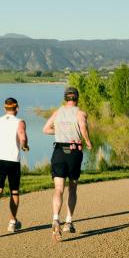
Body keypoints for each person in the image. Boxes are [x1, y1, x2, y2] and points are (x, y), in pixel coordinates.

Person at [43, 87, 92, 242]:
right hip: (74, 150)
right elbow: (83, 128)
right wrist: (88, 142)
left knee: (58, 188)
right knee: (72, 187)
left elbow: (46, 129)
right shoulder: (80, 113)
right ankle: (68, 222)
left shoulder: (57, 113)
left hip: (58, 151)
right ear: (77, 98)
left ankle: (56, 218)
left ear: (65, 99)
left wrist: (59, 131)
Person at [0, 97, 29, 237]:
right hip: (12, 160)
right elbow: (22, 137)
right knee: (14, 192)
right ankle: (12, 222)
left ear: (5, 108)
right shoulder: (20, 122)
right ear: (17, 108)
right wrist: (24, 145)